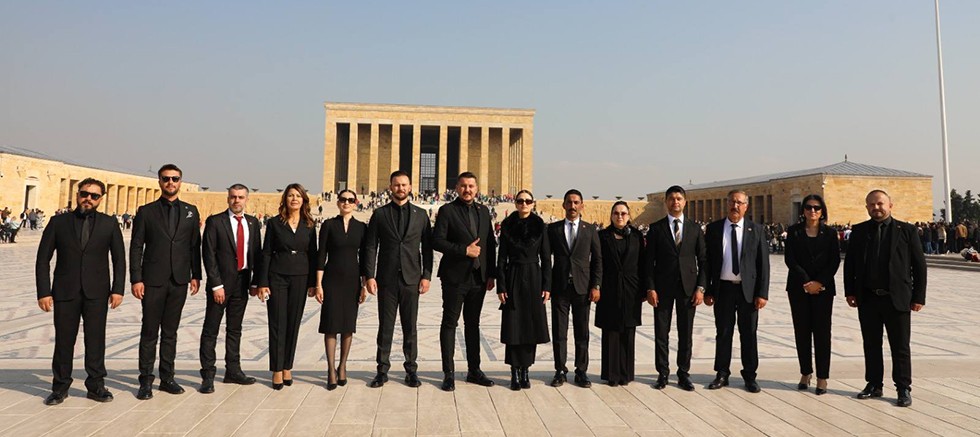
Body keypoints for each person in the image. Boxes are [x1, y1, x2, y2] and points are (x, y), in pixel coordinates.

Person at [35, 178, 125, 405]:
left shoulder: (109, 223)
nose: (88, 199)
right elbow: (43, 259)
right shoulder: (59, 222)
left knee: (95, 339)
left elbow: (119, 260)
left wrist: (118, 289)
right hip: (65, 291)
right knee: (64, 340)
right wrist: (44, 291)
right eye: (85, 194)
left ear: (101, 199)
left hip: (97, 291)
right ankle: (60, 387)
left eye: (94, 196)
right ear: (77, 195)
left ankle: (96, 386)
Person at [844, 190, 926, 407]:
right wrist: (850, 291)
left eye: (880, 203)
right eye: (871, 204)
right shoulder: (860, 231)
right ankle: (874, 384)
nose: (876, 208)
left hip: (897, 298)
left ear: (890, 205)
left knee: (900, 346)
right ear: (867, 207)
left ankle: (903, 387)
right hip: (869, 298)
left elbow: (919, 266)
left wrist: (919, 296)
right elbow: (850, 264)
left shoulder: (906, 231)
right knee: (871, 344)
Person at [130, 164, 202, 400]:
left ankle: (167, 377)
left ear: (181, 181)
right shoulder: (146, 211)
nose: (171, 182)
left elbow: (194, 246)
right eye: (166, 178)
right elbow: (136, 247)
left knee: (170, 332)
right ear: (159, 181)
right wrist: (136, 278)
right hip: (153, 280)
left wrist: (196, 275)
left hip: (179, 279)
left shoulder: (191, 211)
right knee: (150, 331)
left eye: (175, 178)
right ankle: (145, 380)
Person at [363, 171, 434, 388]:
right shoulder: (380, 214)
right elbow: (371, 246)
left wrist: (426, 276)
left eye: (404, 185)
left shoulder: (421, 215)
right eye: (396, 185)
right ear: (390, 187)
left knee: (410, 327)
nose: (400, 188)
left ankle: (411, 370)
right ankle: (382, 370)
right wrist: (369, 275)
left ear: (410, 187)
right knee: (385, 326)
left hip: (411, 278)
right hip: (387, 278)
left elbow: (427, 249)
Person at [432, 172, 497, 391]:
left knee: (473, 324)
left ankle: (474, 370)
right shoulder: (447, 211)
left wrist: (491, 274)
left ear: (477, 188)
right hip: (455, 277)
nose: (467, 190)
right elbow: (437, 241)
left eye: (471, 186)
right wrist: (463, 250)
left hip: (478, 278)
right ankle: (448, 373)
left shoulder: (484, 211)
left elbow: (490, 244)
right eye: (463, 186)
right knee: (450, 323)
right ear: (456, 188)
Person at [704, 189, 770, 393]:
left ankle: (750, 375)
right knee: (723, 332)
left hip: (747, 290)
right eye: (732, 202)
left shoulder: (755, 230)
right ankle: (722, 373)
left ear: (746, 206)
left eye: (740, 203)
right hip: (723, 288)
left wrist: (762, 293)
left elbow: (763, 264)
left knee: (748, 333)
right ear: (727, 204)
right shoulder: (714, 229)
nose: (735, 206)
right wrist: (707, 289)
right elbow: (707, 263)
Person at [198, 184, 261, 394]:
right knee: (211, 329)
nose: (236, 200)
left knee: (235, 329)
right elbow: (209, 254)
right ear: (228, 198)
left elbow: (256, 254)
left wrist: (255, 282)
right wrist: (216, 284)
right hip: (221, 284)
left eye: (241, 197)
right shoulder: (216, 221)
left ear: (246, 199)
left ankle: (233, 371)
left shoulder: (252, 222)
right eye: (233, 197)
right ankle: (208, 374)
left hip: (242, 283)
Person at [256, 183, 318, 390]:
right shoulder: (275, 223)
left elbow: (313, 254)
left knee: (293, 322)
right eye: (291, 195)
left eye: (298, 196)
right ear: (285, 199)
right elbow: (266, 252)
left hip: (300, 276)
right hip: (278, 276)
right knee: (277, 322)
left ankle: (287, 366)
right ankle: (276, 369)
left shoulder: (309, 224)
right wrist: (262, 282)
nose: (294, 199)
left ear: (303, 200)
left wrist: (313, 283)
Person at [644, 185, 706, 391]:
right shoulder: (656, 228)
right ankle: (662, 372)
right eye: (671, 199)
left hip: (688, 288)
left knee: (685, 333)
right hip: (662, 288)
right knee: (661, 333)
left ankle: (683, 373)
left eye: (679, 198)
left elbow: (703, 261)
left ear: (685, 202)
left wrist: (701, 288)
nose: (675, 202)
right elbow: (648, 262)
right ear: (666, 202)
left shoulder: (695, 228)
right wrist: (650, 288)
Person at [784, 194, 840, 395]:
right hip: (799, 288)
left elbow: (834, 261)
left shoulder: (830, 233)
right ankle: (805, 372)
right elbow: (790, 259)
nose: (812, 211)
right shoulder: (794, 232)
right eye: (808, 207)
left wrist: (819, 282)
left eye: (816, 207)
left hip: (823, 290)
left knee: (823, 334)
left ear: (822, 211)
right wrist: (807, 282)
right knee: (802, 332)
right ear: (803, 210)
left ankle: (822, 377)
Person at [496, 190, 551, 390]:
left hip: (534, 277)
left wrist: (547, 286)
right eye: (520, 201)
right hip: (513, 275)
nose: (524, 204)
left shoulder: (540, 226)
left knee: (529, 325)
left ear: (533, 204)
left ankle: (525, 370)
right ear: (516, 203)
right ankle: (514, 371)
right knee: (513, 324)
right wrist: (501, 286)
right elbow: (502, 258)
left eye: (528, 201)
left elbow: (546, 258)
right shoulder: (508, 226)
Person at [313, 189, 367, 390]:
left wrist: (363, 285)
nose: (346, 203)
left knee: (347, 325)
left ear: (355, 203)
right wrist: (318, 284)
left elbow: (364, 258)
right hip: (331, 279)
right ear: (338, 202)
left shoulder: (361, 227)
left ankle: (342, 366)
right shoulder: (328, 225)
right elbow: (321, 255)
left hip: (352, 280)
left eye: (350, 200)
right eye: (343, 199)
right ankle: (330, 369)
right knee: (330, 324)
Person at [547, 189, 602, 387]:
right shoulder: (553, 229)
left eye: (576, 202)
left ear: (582, 206)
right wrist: (546, 285)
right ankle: (560, 370)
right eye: (569, 202)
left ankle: (581, 371)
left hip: (582, 287)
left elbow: (597, 260)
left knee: (582, 331)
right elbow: (546, 259)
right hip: (560, 286)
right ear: (563, 205)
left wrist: (596, 285)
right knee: (559, 331)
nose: (572, 206)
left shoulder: (590, 230)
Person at [595, 201, 645, 386]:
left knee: (628, 331)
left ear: (629, 216)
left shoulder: (637, 236)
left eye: (623, 213)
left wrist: (644, 289)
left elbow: (643, 263)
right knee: (611, 332)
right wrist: (596, 286)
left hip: (631, 290)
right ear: (611, 216)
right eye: (616, 213)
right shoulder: (602, 236)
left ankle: (626, 373)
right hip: (609, 289)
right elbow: (597, 263)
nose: (620, 216)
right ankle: (611, 374)